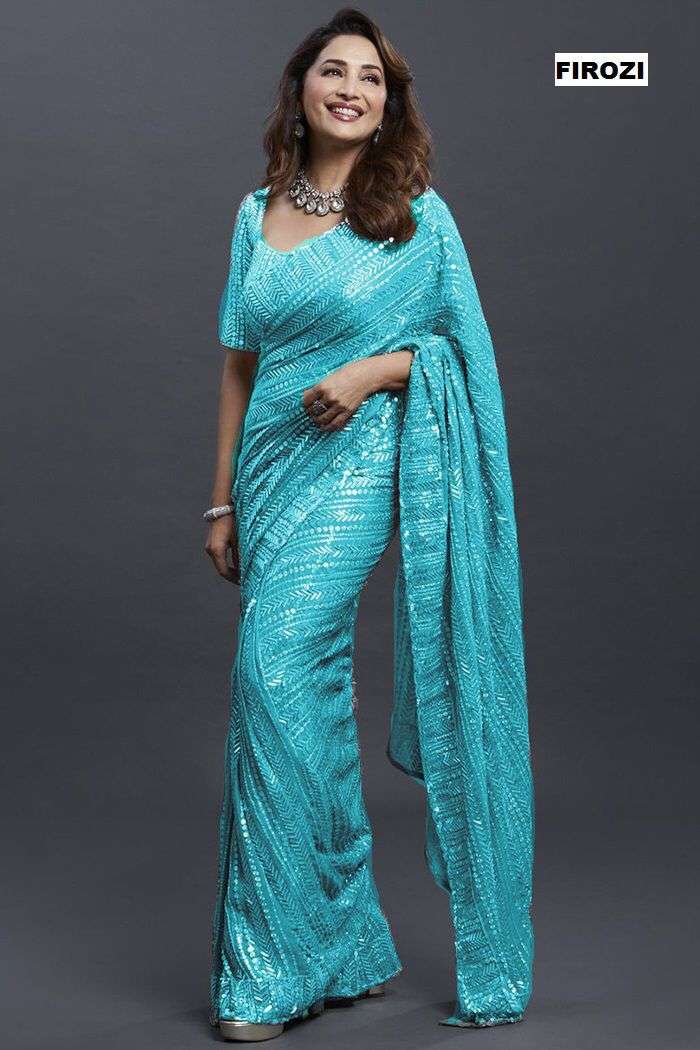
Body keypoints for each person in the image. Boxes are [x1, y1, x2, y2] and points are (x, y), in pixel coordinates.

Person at [204, 8, 534, 1042]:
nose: (351, 88)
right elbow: (239, 362)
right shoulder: (253, 213)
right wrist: (220, 498)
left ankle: (267, 970)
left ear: (388, 106)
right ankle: (340, 944)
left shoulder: (415, 217)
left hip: (353, 472)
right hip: (267, 471)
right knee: (302, 695)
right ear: (300, 91)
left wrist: (373, 370)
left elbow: (462, 357)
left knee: (271, 672)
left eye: (372, 78)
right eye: (333, 71)